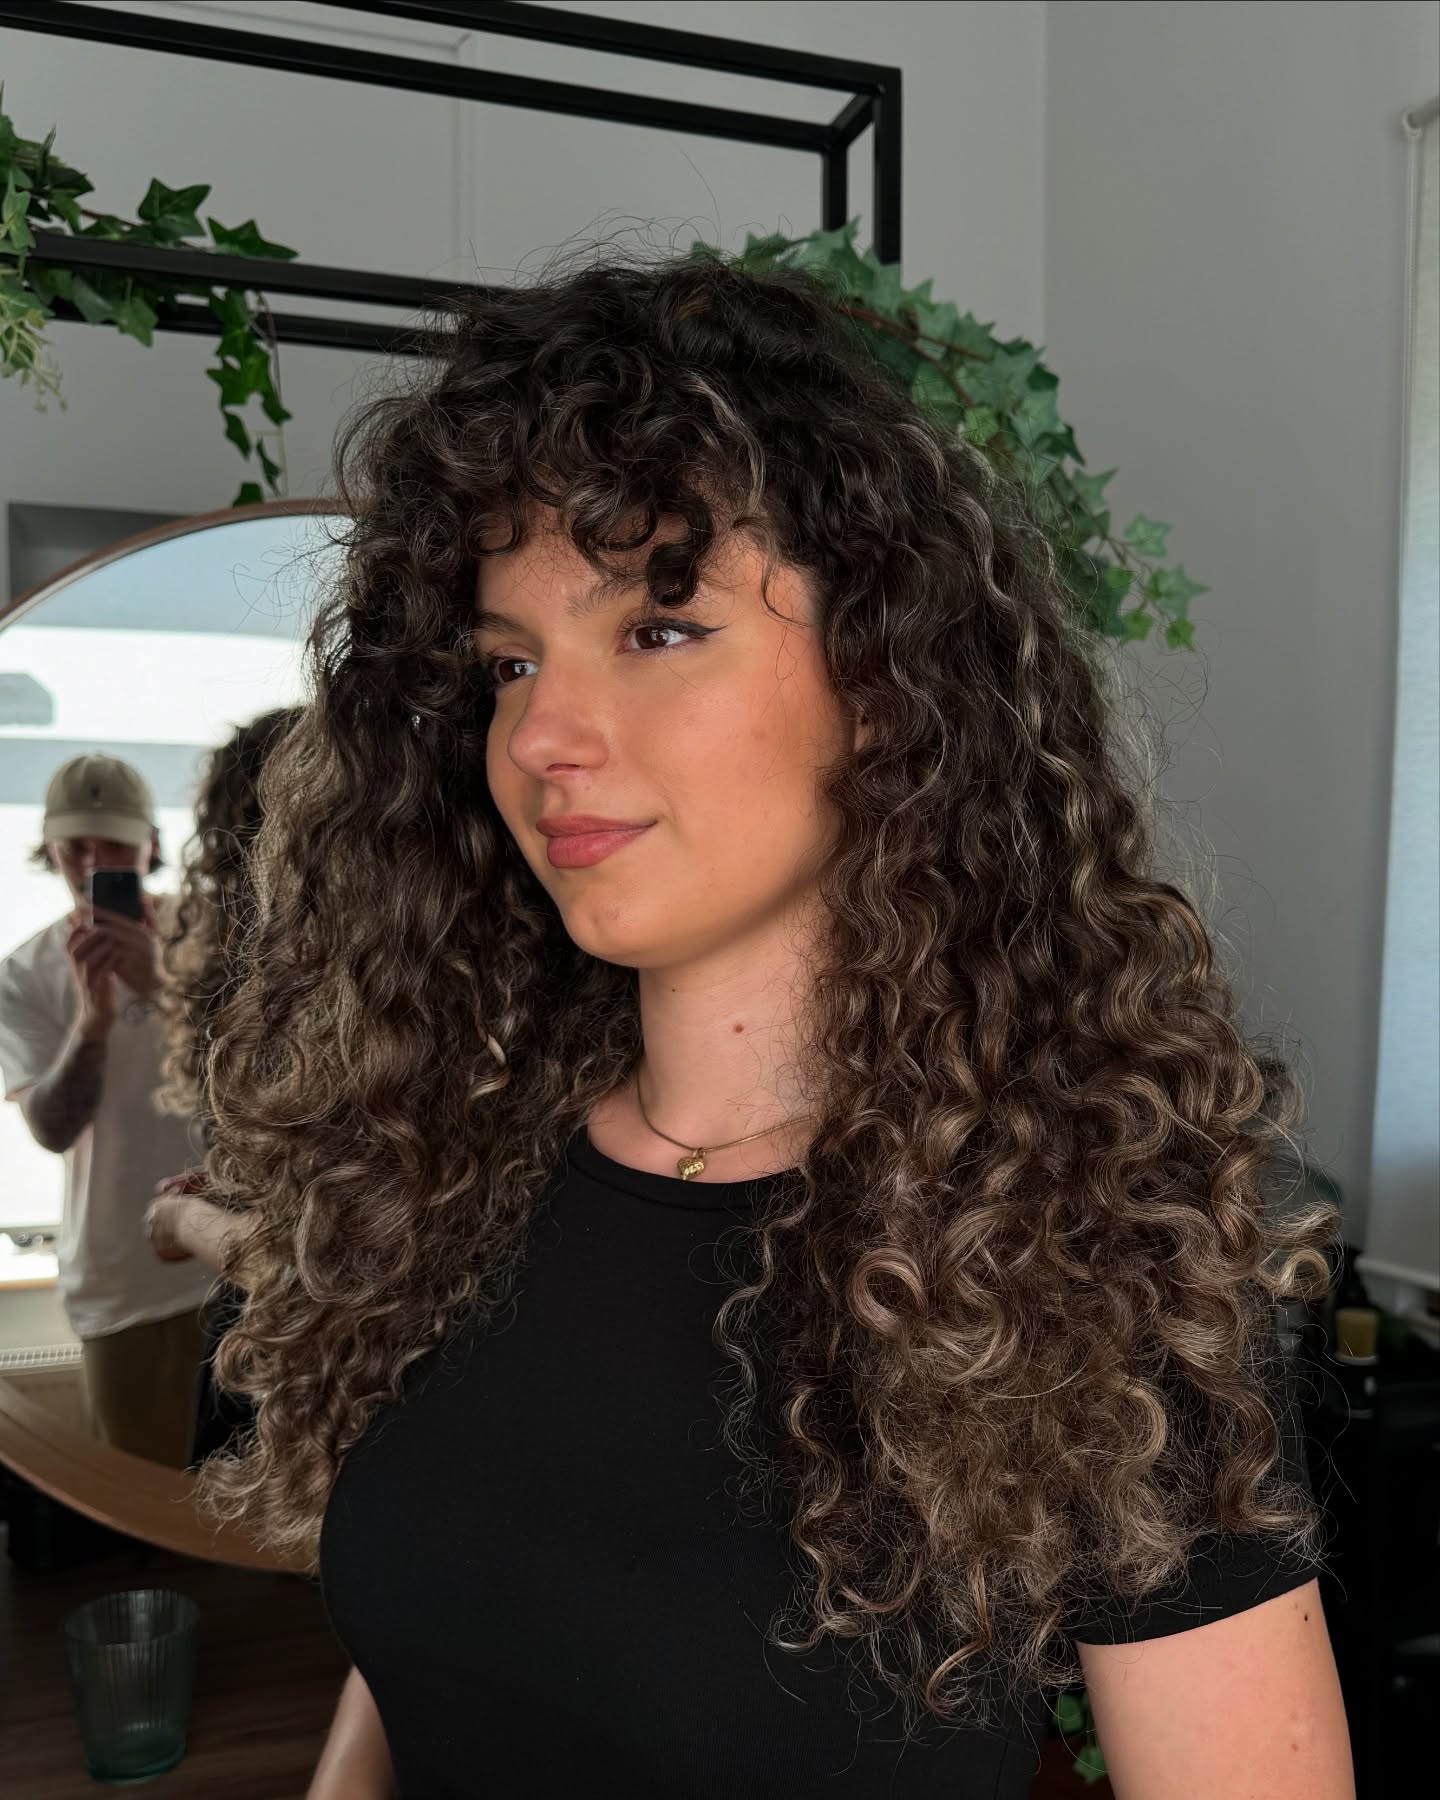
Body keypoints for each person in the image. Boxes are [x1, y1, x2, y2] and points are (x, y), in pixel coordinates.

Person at [194, 255, 1354, 1800]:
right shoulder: (449, 1173)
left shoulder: (1086, 1249)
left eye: (658, 629)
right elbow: (432, 1657)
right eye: (508, 662)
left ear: (884, 682)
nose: (542, 733)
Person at [0, 754, 211, 1465]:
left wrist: (161, 984)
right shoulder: (23, 976)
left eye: (113, 845)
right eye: (76, 846)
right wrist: (91, 1020)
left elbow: (272, 1085)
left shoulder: (211, 932)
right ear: (48, 848)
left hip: (244, 1255)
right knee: (146, 1504)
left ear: (150, 845)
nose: (93, 863)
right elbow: (53, 1128)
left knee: (265, 1507)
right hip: (123, 1277)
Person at [144, 707, 301, 1465]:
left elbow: (303, 1272)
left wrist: (182, 1224)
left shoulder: (315, 997)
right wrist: (236, 1183)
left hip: (302, 1355)